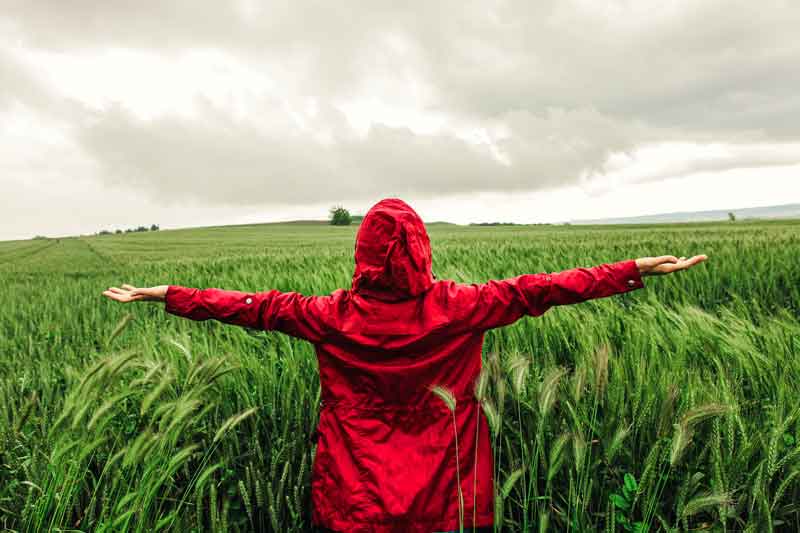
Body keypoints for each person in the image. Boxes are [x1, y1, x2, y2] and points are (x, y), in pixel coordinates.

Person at [102, 198, 707, 533]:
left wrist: (164, 293)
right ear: (422, 252)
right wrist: (629, 270)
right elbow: (542, 288)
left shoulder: (326, 314)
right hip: (449, 484)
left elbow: (246, 307)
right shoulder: (462, 307)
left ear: (363, 254)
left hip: (354, 486)